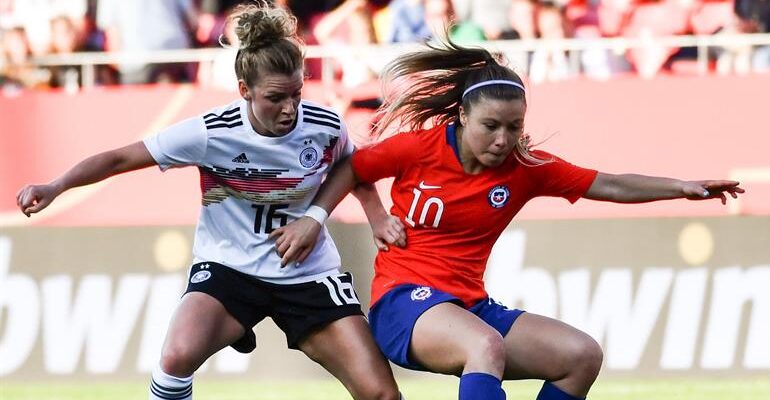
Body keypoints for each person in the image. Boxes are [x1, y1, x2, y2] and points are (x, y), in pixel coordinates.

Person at [270, 38, 745, 400]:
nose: (503, 139)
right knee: (486, 347)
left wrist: (680, 186)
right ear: (461, 116)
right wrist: (338, 215)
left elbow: (612, 184)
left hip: (470, 306)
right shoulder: (422, 148)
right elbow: (352, 168)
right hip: (402, 304)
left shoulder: (527, 168)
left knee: (580, 356)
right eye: (491, 126)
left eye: (514, 127)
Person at [16, 3, 406, 400]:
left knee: (382, 395)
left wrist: (352, 216)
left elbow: (351, 167)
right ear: (244, 90)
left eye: (296, 93)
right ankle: (233, 323)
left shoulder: (323, 125)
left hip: (306, 274)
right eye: (275, 97)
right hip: (229, 268)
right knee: (176, 357)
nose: (290, 108)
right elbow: (119, 158)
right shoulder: (211, 132)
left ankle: (242, 327)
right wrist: (56, 186)